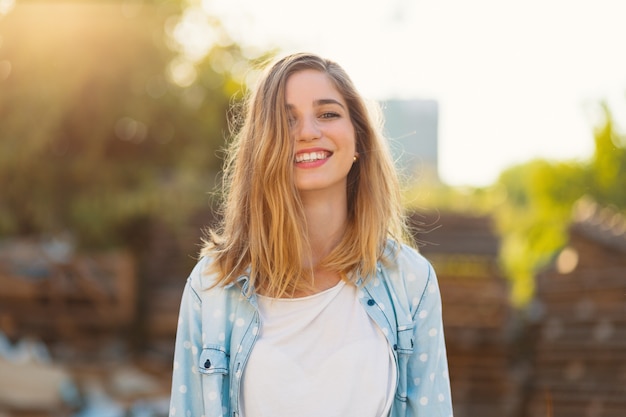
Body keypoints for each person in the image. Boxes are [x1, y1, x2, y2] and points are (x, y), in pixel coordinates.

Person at [169, 52, 453, 417]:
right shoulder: (211, 288)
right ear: (262, 145)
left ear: (358, 138)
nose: (307, 132)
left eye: (328, 114)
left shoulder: (410, 281)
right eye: (286, 120)